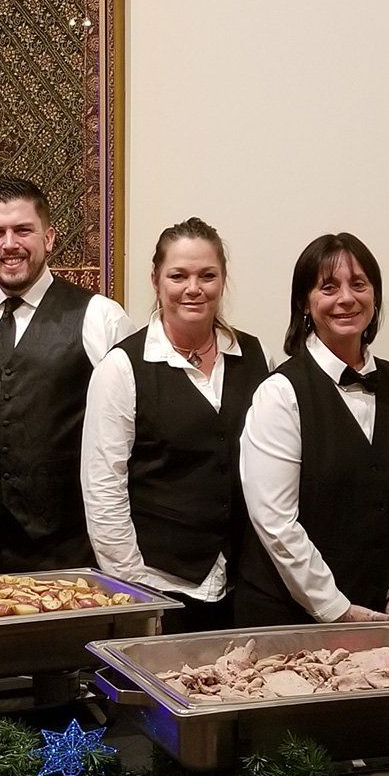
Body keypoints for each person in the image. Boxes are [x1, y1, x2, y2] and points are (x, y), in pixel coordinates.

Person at [236, 233, 389, 627]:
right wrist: (337, 609)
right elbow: (276, 521)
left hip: (382, 613)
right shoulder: (280, 394)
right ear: (305, 303)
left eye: (359, 284)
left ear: (375, 296)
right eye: (328, 287)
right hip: (286, 619)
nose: (346, 298)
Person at [0, 176, 128, 574]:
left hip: (77, 553)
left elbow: (126, 443)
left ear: (49, 237)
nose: (9, 244)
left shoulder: (101, 318)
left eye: (23, 230)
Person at [82, 218, 268, 632]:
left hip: (243, 583)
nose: (193, 288)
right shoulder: (122, 367)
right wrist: (134, 592)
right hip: (160, 585)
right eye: (178, 275)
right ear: (155, 279)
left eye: (207, 275)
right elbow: (103, 489)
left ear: (223, 279)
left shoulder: (256, 356)